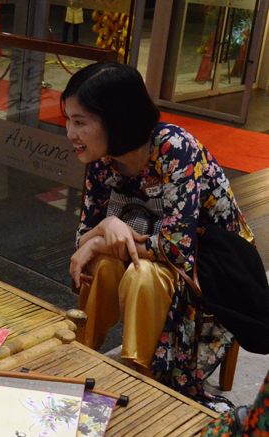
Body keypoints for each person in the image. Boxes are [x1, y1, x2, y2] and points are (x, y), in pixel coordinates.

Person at [64, 63, 252, 393]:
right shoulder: (100, 160)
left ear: (116, 119)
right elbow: (84, 237)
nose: (69, 133)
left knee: (142, 275)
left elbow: (176, 249)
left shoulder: (174, 148)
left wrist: (97, 241)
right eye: (68, 120)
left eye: (79, 122)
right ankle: (78, 353)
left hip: (212, 264)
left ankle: (139, 378)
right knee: (101, 265)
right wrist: (104, 227)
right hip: (156, 252)